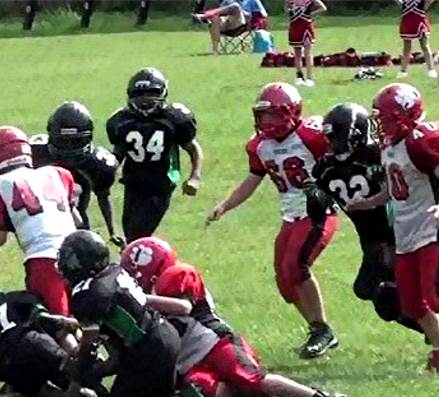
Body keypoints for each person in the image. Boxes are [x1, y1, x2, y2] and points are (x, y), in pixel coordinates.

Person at [119, 238, 354, 397]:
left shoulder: (179, 274)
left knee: (249, 378)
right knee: (200, 388)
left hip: (215, 342)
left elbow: (183, 308)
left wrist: (139, 298)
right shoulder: (141, 291)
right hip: (190, 360)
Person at [207, 82, 339, 359]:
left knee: (296, 265)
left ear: (292, 112)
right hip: (290, 216)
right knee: (285, 283)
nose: (267, 121)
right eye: (263, 115)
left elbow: (339, 163)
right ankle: (317, 327)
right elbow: (252, 181)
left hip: (317, 212)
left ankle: (322, 330)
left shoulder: (311, 136)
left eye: (274, 115)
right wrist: (225, 205)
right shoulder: (259, 146)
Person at [358, 83, 439, 372]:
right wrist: (370, 202)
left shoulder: (420, 140)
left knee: (437, 291)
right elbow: (396, 186)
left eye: (386, 117)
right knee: (411, 303)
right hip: (407, 229)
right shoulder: (390, 145)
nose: (381, 124)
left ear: (405, 114)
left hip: (437, 226)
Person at [56, 230, 219, 397]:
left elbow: (89, 348)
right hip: (164, 335)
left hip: (148, 349)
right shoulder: (114, 270)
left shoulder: (87, 295)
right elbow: (115, 331)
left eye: (71, 259)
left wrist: (74, 388)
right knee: (150, 394)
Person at [303, 103, 434, 340]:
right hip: (370, 240)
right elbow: (317, 212)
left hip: (397, 235)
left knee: (389, 296)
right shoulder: (325, 167)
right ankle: (435, 332)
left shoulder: (378, 156)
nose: (330, 144)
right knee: (369, 291)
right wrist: (315, 198)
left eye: (335, 137)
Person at [0, 126, 79, 320]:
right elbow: (76, 219)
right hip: (80, 251)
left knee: (59, 323)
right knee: (87, 315)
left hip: (44, 258)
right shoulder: (58, 173)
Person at [0, 291, 104, 397]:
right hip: (29, 345)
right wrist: (79, 324)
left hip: (4, 370)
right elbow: (44, 319)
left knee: (38, 390)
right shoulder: (14, 302)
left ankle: (53, 395)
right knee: (72, 374)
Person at [106, 68, 203, 241]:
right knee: (131, 231)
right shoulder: (122, 122)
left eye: (152, 93)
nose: (145, 99)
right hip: (133, 182)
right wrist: (107, 172)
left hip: (162, 182)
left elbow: (193, 149)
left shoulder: (173, 118)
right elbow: (119, 152)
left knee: (139, 233)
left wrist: (195, 177)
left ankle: (145, 261)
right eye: (140, 93)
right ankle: (136, 261)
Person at [30, 101, 122, 246]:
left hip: (78, 223)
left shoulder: (99, 165)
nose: (68, 148)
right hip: (43, 222)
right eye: (63, 141)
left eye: (74, 141)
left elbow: (103, 195)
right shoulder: (35, 153)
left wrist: (113, 231)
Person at [286, 0, 327, 87]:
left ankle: (309, 77)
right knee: (297, 53)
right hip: (295, 26)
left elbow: (323, 8)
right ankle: (299, 76)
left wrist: (311, 14)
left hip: (306, 26)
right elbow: (286, 9)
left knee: (307, 52)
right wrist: (291, 11)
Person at [396, 0, 437, 79]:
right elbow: (402, 5)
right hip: (407, 20)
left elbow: (427, 4)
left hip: (420, 20)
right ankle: (403, 71)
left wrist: (427, 4)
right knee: (407, 48)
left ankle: (431, 70)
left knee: (424, 45)